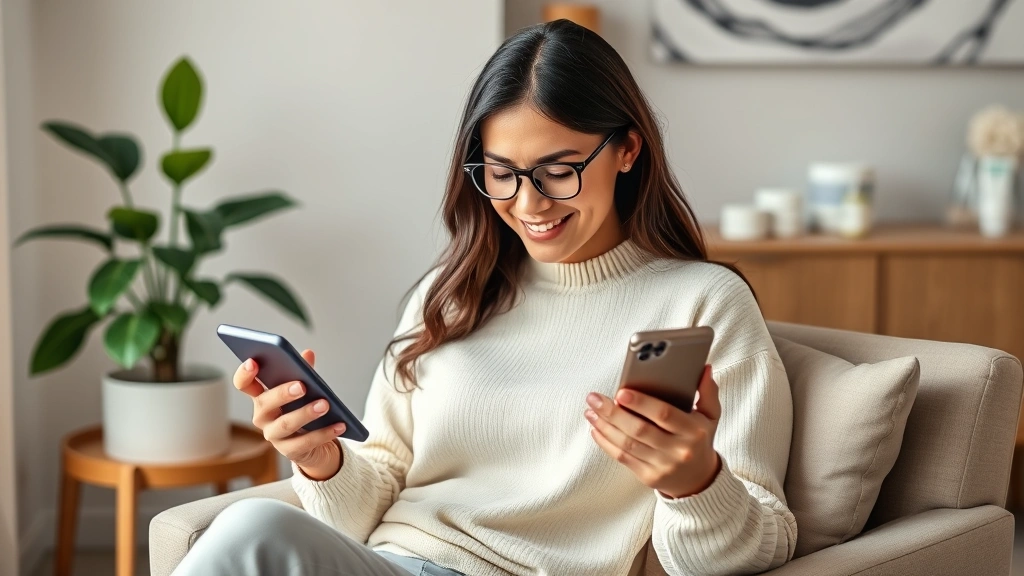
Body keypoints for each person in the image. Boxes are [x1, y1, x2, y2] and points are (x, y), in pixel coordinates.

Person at [173, 18, 795, 576]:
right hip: (393, 562)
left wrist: (695, 485)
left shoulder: (700, 304)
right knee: (255, 531)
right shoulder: (450, 294)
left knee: (252, 529)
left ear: (627, 149)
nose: (529, 205)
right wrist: (319, 460)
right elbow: (369, 500)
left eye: (559, 170)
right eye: (501, 174)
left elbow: (762, 542)